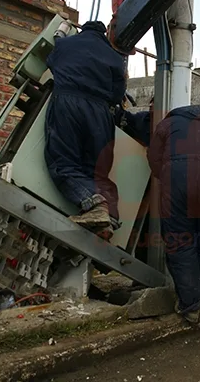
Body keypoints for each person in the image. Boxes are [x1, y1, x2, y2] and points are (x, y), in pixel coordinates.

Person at [147, 104, 200, 324]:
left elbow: (153, 158)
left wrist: (168, 176)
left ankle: (191, 305)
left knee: (180, 242)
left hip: (177, 182)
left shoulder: (166, 124)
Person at [44, 21, 126, 241]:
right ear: (104, 34)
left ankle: (96, 205)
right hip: (100, 113)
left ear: (83, 30)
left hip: (68, 104)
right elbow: (118, 95)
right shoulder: (115, 57)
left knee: (63, 162)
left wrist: (60, 35)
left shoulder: (66, 45)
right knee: (97, 170)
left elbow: (50, 61)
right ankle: (110, 216)